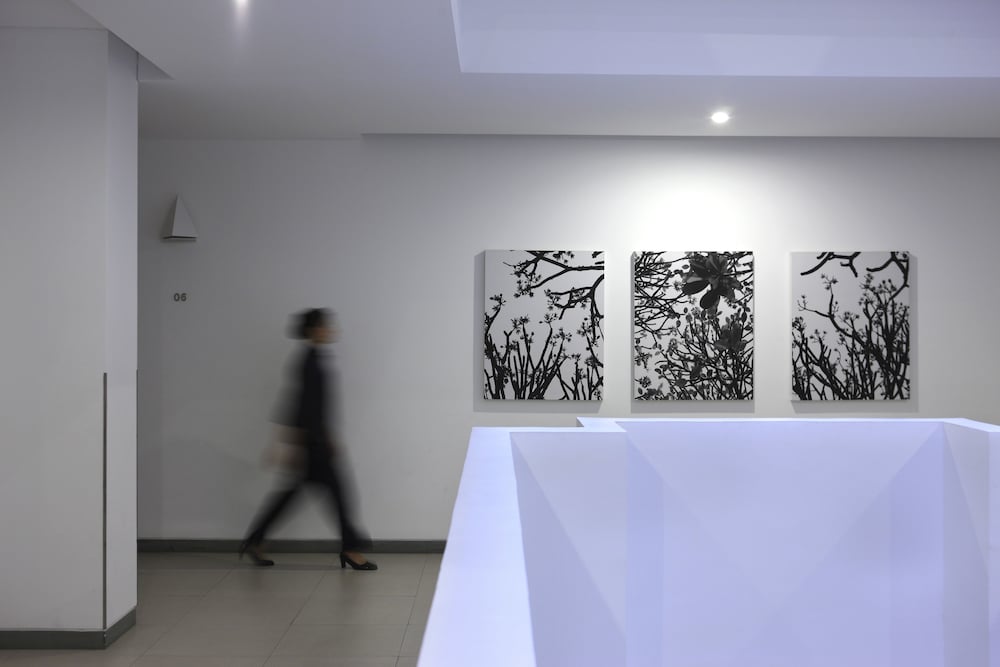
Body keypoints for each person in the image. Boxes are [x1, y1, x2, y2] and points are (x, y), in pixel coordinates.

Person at [240, 308, 376, 570]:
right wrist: (297, 442)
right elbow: (301, 404)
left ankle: (255, 540)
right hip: (314, 442)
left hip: (315, 440)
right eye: (326, 325)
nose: (331, 330)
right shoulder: (308, 362)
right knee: (339, 494)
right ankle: (350, 549)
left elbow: (307, 403)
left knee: (294, 495)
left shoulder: (314, 358)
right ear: (314, 330)